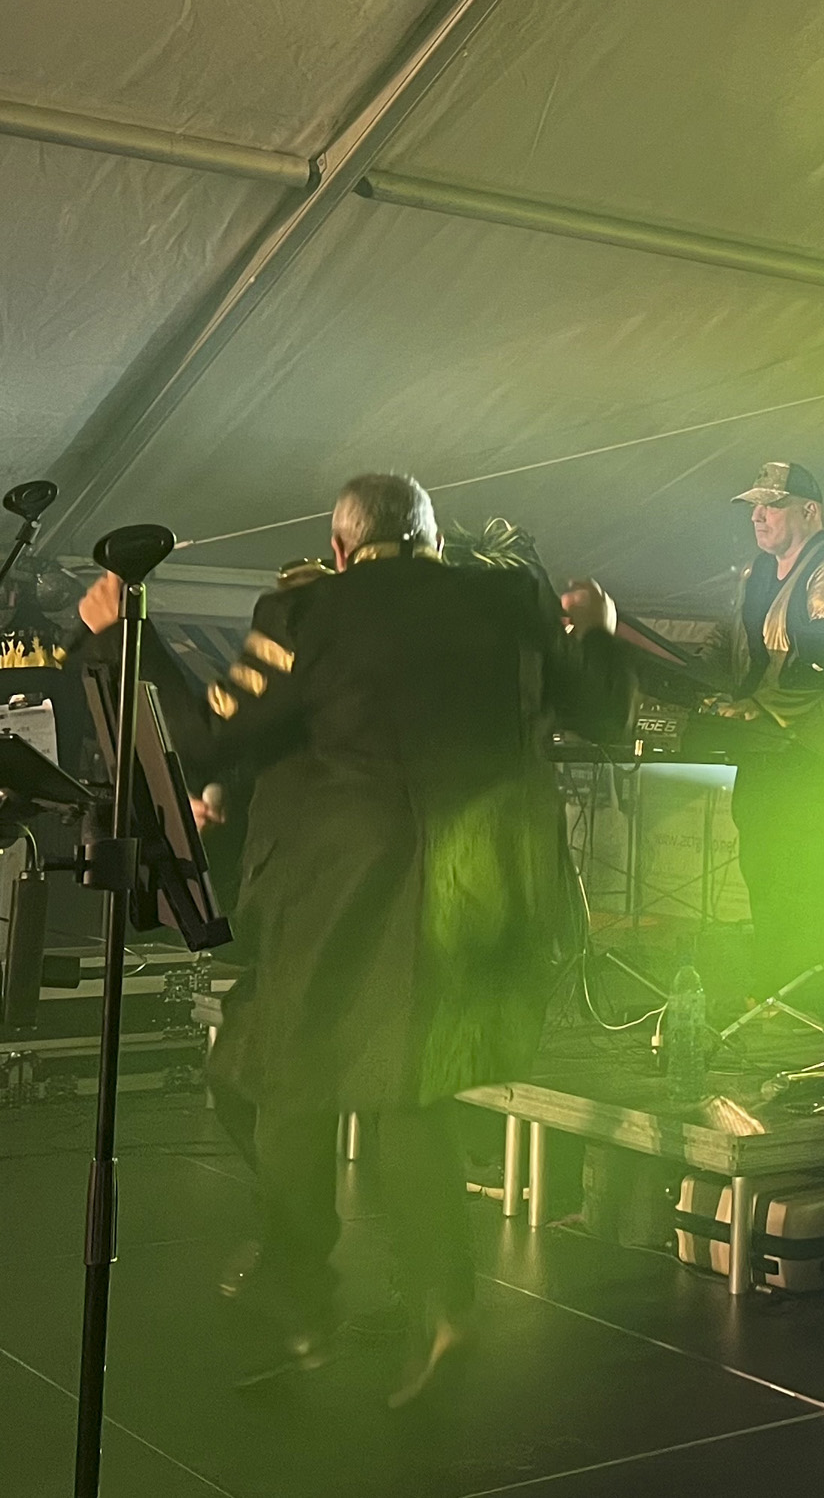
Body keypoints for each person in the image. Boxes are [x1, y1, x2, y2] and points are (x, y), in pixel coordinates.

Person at [180, 473, 633, 1403]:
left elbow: (219, 728)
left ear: (340, 547)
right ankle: (443, 1303)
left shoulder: (306, 611)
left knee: (273, 1076)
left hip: (345, 896)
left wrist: (125, 643)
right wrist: (599, 628)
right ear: (433, 542)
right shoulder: (508, 600)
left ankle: (300, 1295)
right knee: (408, 1093)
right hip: (473, 901)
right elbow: (605, 713)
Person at [712, 460, 824, 990]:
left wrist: (761, 708)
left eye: (771, 505)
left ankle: (809, 994)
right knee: (762, 865)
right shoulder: (757, 573)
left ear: (809, 511)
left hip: (816, 756)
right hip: (765, 751)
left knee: (804, 874)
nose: (757, 516)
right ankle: (775, 985)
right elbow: (734, 645)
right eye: (754, 507)